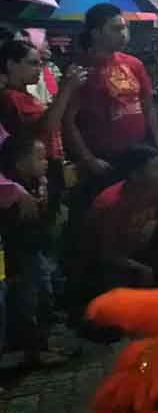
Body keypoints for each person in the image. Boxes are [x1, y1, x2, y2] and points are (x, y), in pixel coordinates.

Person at [63, 3, 158, 320]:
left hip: (138, 158)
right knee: (104, 232)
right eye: (116, 28)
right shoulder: (81, 68)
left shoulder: (133, 64)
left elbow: (148, 108)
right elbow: (69, 120)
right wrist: (87, 159)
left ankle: (138, 294)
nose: (124, 34)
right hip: (104, 161)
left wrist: (157, 147)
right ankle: (101, 304)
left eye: (124, 28)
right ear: (96, 32)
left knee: (137, 226)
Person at [86, 145, 158, 297]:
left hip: (139, 247)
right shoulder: (111, 204)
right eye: (157, 168)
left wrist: (155, 223)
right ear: (136, 174)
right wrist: (141, 268)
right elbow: (105, 254)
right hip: (111, 261)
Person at [0, 40, 85, 214]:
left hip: (43, 165)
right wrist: (66, 89)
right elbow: (47, 126)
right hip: (31, 171)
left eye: (40, 64)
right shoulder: (11, 97)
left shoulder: (24, 95)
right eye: (32, 63)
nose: (39, 69)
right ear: (10, 64)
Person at [0, 134, 63, 367]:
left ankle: (41, 345)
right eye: (39, 158)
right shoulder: (11, 194)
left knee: (43, 295)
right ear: (20, 163)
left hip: (36, 252)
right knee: (29, 302)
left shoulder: (36, 184)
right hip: (22, 256)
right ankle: (35, 351)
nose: (45, 162)